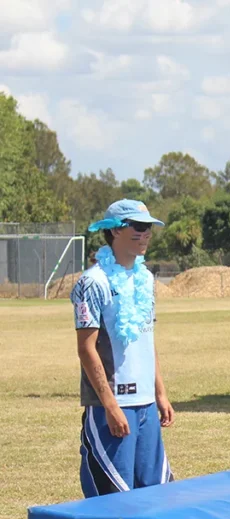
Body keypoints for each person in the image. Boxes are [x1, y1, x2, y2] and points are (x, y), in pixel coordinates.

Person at [72, 199, 174, 498]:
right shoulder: (93, 282)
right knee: (113, 500)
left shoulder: (146, 278)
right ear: (115, 231)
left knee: (155, 496)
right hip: (114, 405)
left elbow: (147, 339)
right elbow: (86, 348)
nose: (146, 234)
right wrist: (110, 405)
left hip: (147, 405)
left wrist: (160, 393)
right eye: (139, 227)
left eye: (149, 227)